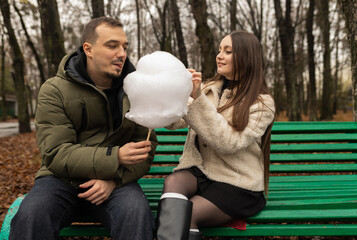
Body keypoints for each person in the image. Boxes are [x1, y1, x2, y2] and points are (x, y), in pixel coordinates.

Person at [9, 17, 157, 240]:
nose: (121, 53)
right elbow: (56, 153)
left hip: (115, 183)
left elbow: (145, 150)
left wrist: (114, 180)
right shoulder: (54, 90)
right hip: (60, 180)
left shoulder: (135, 90)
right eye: (112, 45)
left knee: (136, 214)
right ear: (88, 49)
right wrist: (115, 156)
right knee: (31, 216)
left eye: (124, 47)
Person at [156, 30, 275, 240]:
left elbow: (229, 142)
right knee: (173, 182)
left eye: (228, 51)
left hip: (237, 182)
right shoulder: (210, 88)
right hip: (203, 172)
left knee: (187, 213)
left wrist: (198, 98)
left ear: (246, 57)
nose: (219, 55)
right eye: (220, 50)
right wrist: (170, 91)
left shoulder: (261, 103)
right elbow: (175, 121)